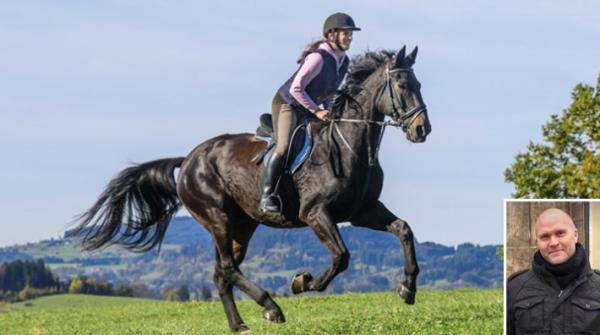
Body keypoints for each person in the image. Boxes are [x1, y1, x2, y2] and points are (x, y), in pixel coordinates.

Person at [259, 12, 361, 214]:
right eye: (345, 33)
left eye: (351, 33)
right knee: (285, 146)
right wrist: (316, 110)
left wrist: (328, 111)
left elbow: (330, 92)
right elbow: (296, 88)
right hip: (288, 103)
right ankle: (267, 195)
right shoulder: (318, 58)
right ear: (331, 35)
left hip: (309, 107)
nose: (350, 37)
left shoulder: (344, 61)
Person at [506, 208, 600, 334]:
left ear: (575, 235)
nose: (553, 242)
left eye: (560, 233)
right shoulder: (514, 288)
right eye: (545, 237)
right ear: (537, 242)